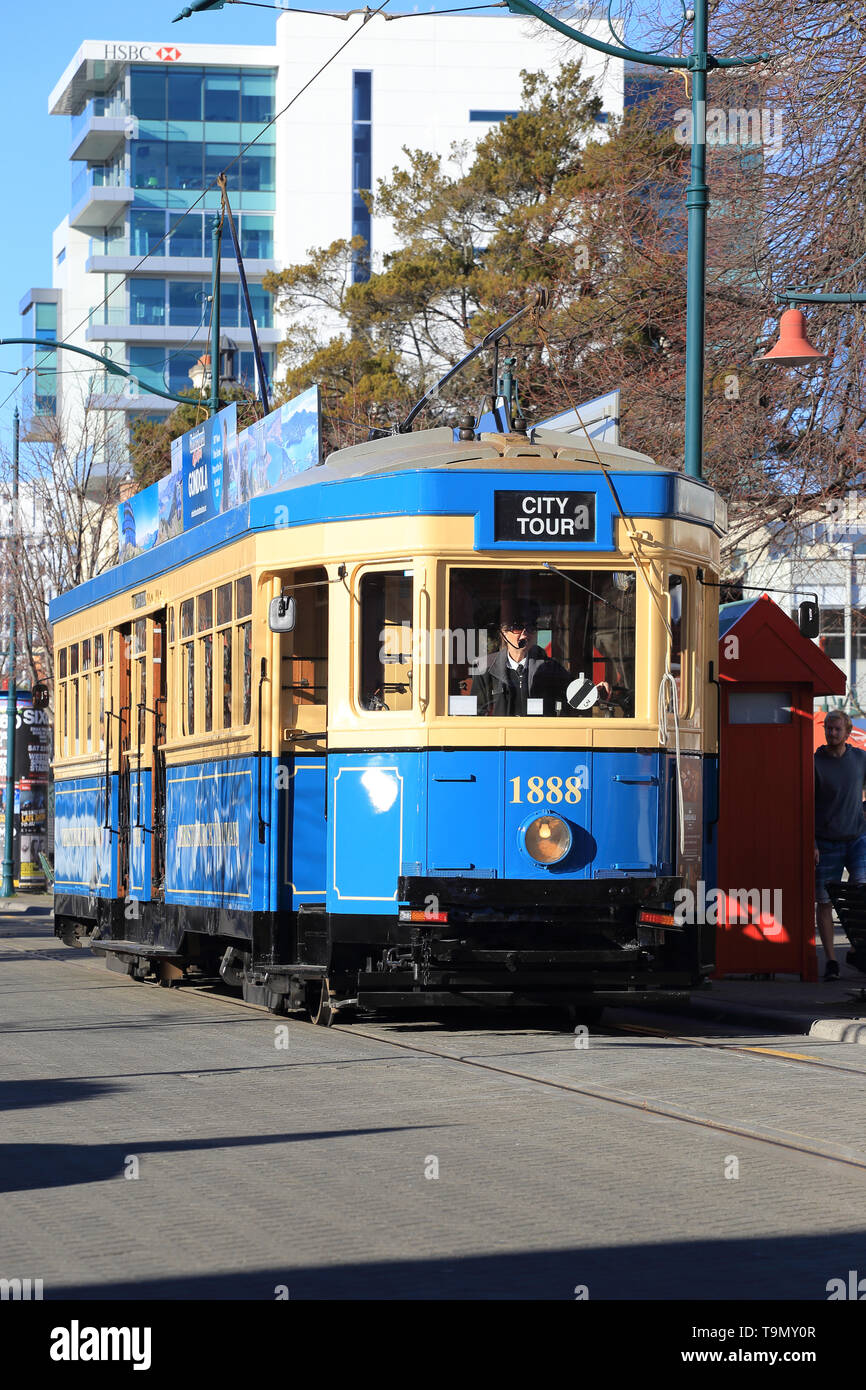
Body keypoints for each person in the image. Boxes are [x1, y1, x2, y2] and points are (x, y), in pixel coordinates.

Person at [814, 710, 866, 980]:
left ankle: (860, 951)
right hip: (826, 841)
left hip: (857, 838)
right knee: (824, 901)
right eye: (828, 729)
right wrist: (811, 842)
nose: (832, 733)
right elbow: (806, 804)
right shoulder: (815, 762)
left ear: (847, 733)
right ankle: (831, 961)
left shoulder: (859, 758)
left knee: (861, 889)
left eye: (837, 729)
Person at [471, 607, 572, 716]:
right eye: (517, 628)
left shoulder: (551, 668)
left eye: (530, 628)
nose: (524, 634)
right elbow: (476, 712)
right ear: (504, 633)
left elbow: (569, 704)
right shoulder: (484, 668)